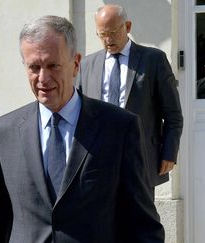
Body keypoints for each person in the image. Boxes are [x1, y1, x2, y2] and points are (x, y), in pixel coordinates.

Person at [0, 15, 164, 243]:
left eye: (53, 65)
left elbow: (143, 224)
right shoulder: (3, 133)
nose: (43, 78)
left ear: (76, 64)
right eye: (34, 67)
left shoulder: (118, 127)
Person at [78, 4, 183, 193]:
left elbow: (173, 114)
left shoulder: (153, 59)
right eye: (102, 34)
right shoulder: (86, 65)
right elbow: (78, 113)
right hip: (98, 162)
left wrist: (169, 153)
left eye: (112, 32)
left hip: (140, 160)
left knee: (141, 221)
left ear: (127, 26)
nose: (108, 40)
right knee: (102, 221)